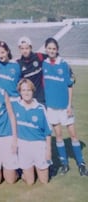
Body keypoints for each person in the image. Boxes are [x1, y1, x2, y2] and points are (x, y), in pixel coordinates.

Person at [42, 37, 88, 176]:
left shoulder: (63, 64)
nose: (51, 51)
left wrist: (69, 105)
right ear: (46, 49)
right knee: (59, 136)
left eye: (54, 49)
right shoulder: (43, 64)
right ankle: (64, 164)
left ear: (57, 50)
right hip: (51, 107)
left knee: (73, 135)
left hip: (64, 107)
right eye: (49, 48)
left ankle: (81, 163)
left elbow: (69, 85)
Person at [12, 78, 52, 185]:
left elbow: (48, 132)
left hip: (39, 145)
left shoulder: (40, 108)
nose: (26, 93)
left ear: (33, 91)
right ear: (20, 92)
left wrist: (48, 150)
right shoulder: (15, 106)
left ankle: (38, 167)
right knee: (30, 182)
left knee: (44, 181)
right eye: (23, 90)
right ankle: (25, 172)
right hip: (23, 145)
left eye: (29, 90)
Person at [16, 36, 46, 104]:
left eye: (27, 48)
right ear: (19, 49)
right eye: (22, 48)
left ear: (31, 47)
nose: (24, 51)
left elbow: (53, 58)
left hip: (41, 97)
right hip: (27, 98)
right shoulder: (18, 63)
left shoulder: (39, 57)